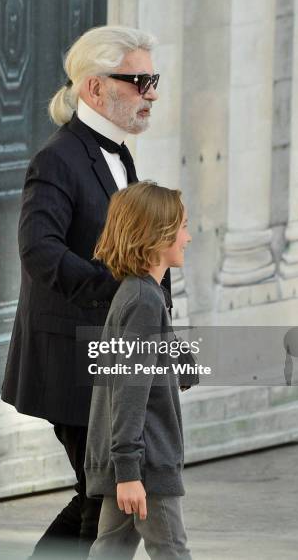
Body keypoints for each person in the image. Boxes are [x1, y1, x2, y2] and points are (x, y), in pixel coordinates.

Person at [0, 25, 172, 558]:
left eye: (153, 79)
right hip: (73, 362)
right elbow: (39, 252)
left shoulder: (119, 154)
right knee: (102, 498)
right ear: (95, 88)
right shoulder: (57, 159)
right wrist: (120, 296)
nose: (152, 93)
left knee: (100, 498)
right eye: (139, 81)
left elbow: (138, 256)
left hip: (112, 358)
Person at [85, 181, 194, 559]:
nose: (188, 236)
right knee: (172, 552)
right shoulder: (143, 301)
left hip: (133, 461)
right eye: (182, 227)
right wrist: (130, 472)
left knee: (110, 551)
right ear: (156, 235)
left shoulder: (139, 293)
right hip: (145, 463)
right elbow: (129, 392)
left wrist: (178, 357)